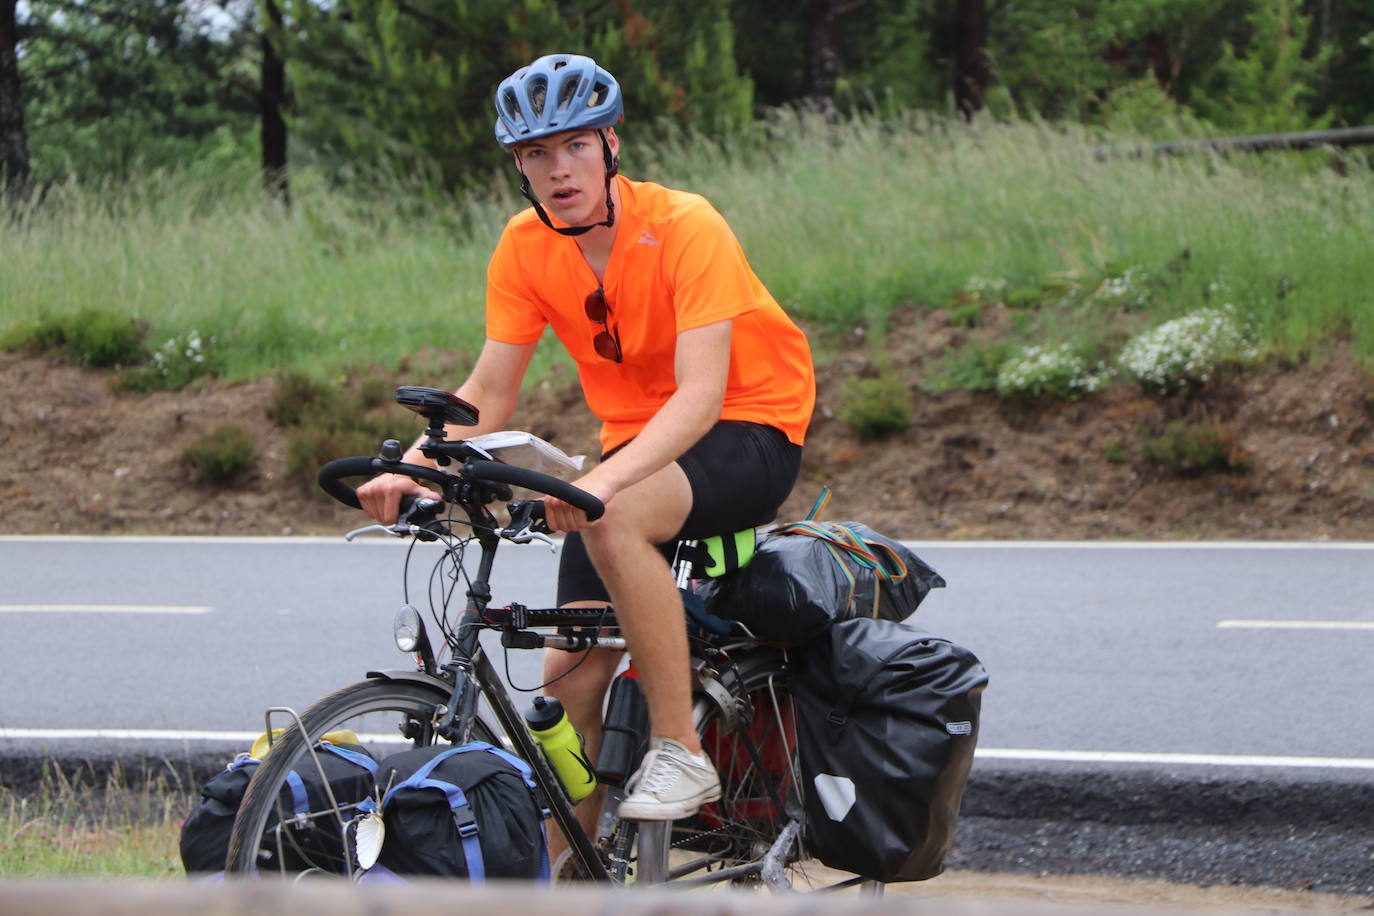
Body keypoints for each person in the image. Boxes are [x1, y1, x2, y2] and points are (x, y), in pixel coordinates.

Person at [357, 53, 815, 830]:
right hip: (637, 448)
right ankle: (565, 878)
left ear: (610, 145)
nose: (558, 169)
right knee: (565, 684)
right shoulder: (523, 246)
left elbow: (702, 395)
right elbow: (489, 391)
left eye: (574, 145)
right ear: (518, 166)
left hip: (750, 423)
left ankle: (681, 751)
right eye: (537, 153)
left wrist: (602, 486)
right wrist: (413, 467)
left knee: (613, 513)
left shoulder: (683, 225)